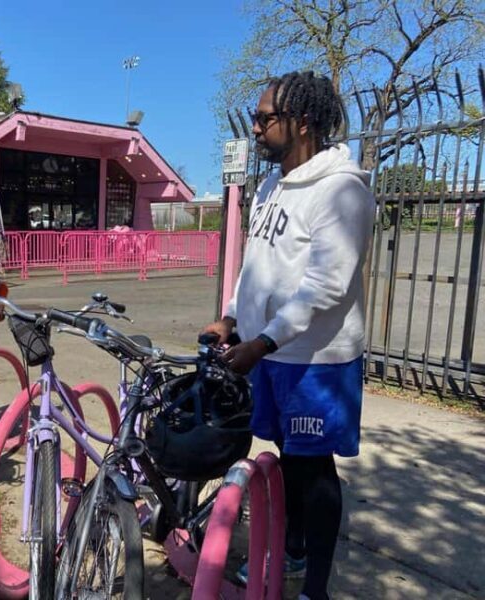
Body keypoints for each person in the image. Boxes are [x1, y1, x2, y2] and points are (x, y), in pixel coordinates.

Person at [204, 71, 375, 600]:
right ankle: (293, 549)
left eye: (264, 118)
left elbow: (325, 288)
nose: (255, 128)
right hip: (272, 353)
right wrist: (232, 318)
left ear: (302, 122)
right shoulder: (273, 185)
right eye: (254, 119)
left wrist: (262, 343)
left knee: (314, 470)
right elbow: (258, 266)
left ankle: (315, 588)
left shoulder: (342, 191)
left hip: (315, 361)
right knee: (286, 457)